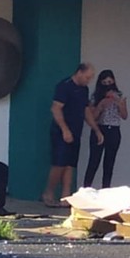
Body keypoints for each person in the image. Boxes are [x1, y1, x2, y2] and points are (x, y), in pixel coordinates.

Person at [41, 63, 96, 207]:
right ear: (79, 72)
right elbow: (56, 108)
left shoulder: (84, 89)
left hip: (76, 131)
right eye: (87, 77)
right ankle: (49, 192)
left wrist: (96, 129)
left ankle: (66, 196)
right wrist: (65, 129)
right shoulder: (64, 86)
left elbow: (86, 110)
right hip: (61, 131)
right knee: (59, 164)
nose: (88, 80)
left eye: (90, 78)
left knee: (70, 165)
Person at [83, 69, 128, 189]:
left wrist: (120, 104)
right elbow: (92, 117)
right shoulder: (95, 96)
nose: (108, 85)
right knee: (94, 161)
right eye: (105, 83)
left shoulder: (119, 95)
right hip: (99, 129)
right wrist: (101, 105)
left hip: (114, 130)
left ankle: (105, 190)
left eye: (110, 82)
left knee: (109, 163)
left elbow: (124, 116)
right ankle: (86, 189)